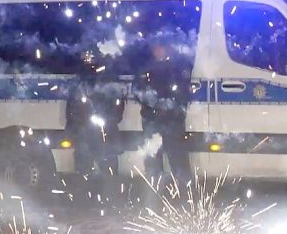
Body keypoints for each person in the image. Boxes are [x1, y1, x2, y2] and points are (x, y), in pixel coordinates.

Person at [65, 50, 127, 195]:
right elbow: (72, 106)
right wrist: (78, 123)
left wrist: (110, 119)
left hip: (104, 131)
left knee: (107, 167)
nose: (87, 59)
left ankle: (109, 197)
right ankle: (86, 197)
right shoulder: (81, 79)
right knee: (85, 167)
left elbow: (118, 104)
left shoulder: (108, 77)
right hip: (85, 131)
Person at [134, 41, 192, 180]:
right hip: (152, 118)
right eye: (156, 47)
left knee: (176, 153)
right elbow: (137, 90)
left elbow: (184, 91)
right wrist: (150, 101)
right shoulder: (146, 68)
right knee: (153, 154)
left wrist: (172, 105)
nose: (158, 50)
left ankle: (182, 184)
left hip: (172, 118)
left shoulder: (177, 68)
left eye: (161, 47)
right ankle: (155, 182)